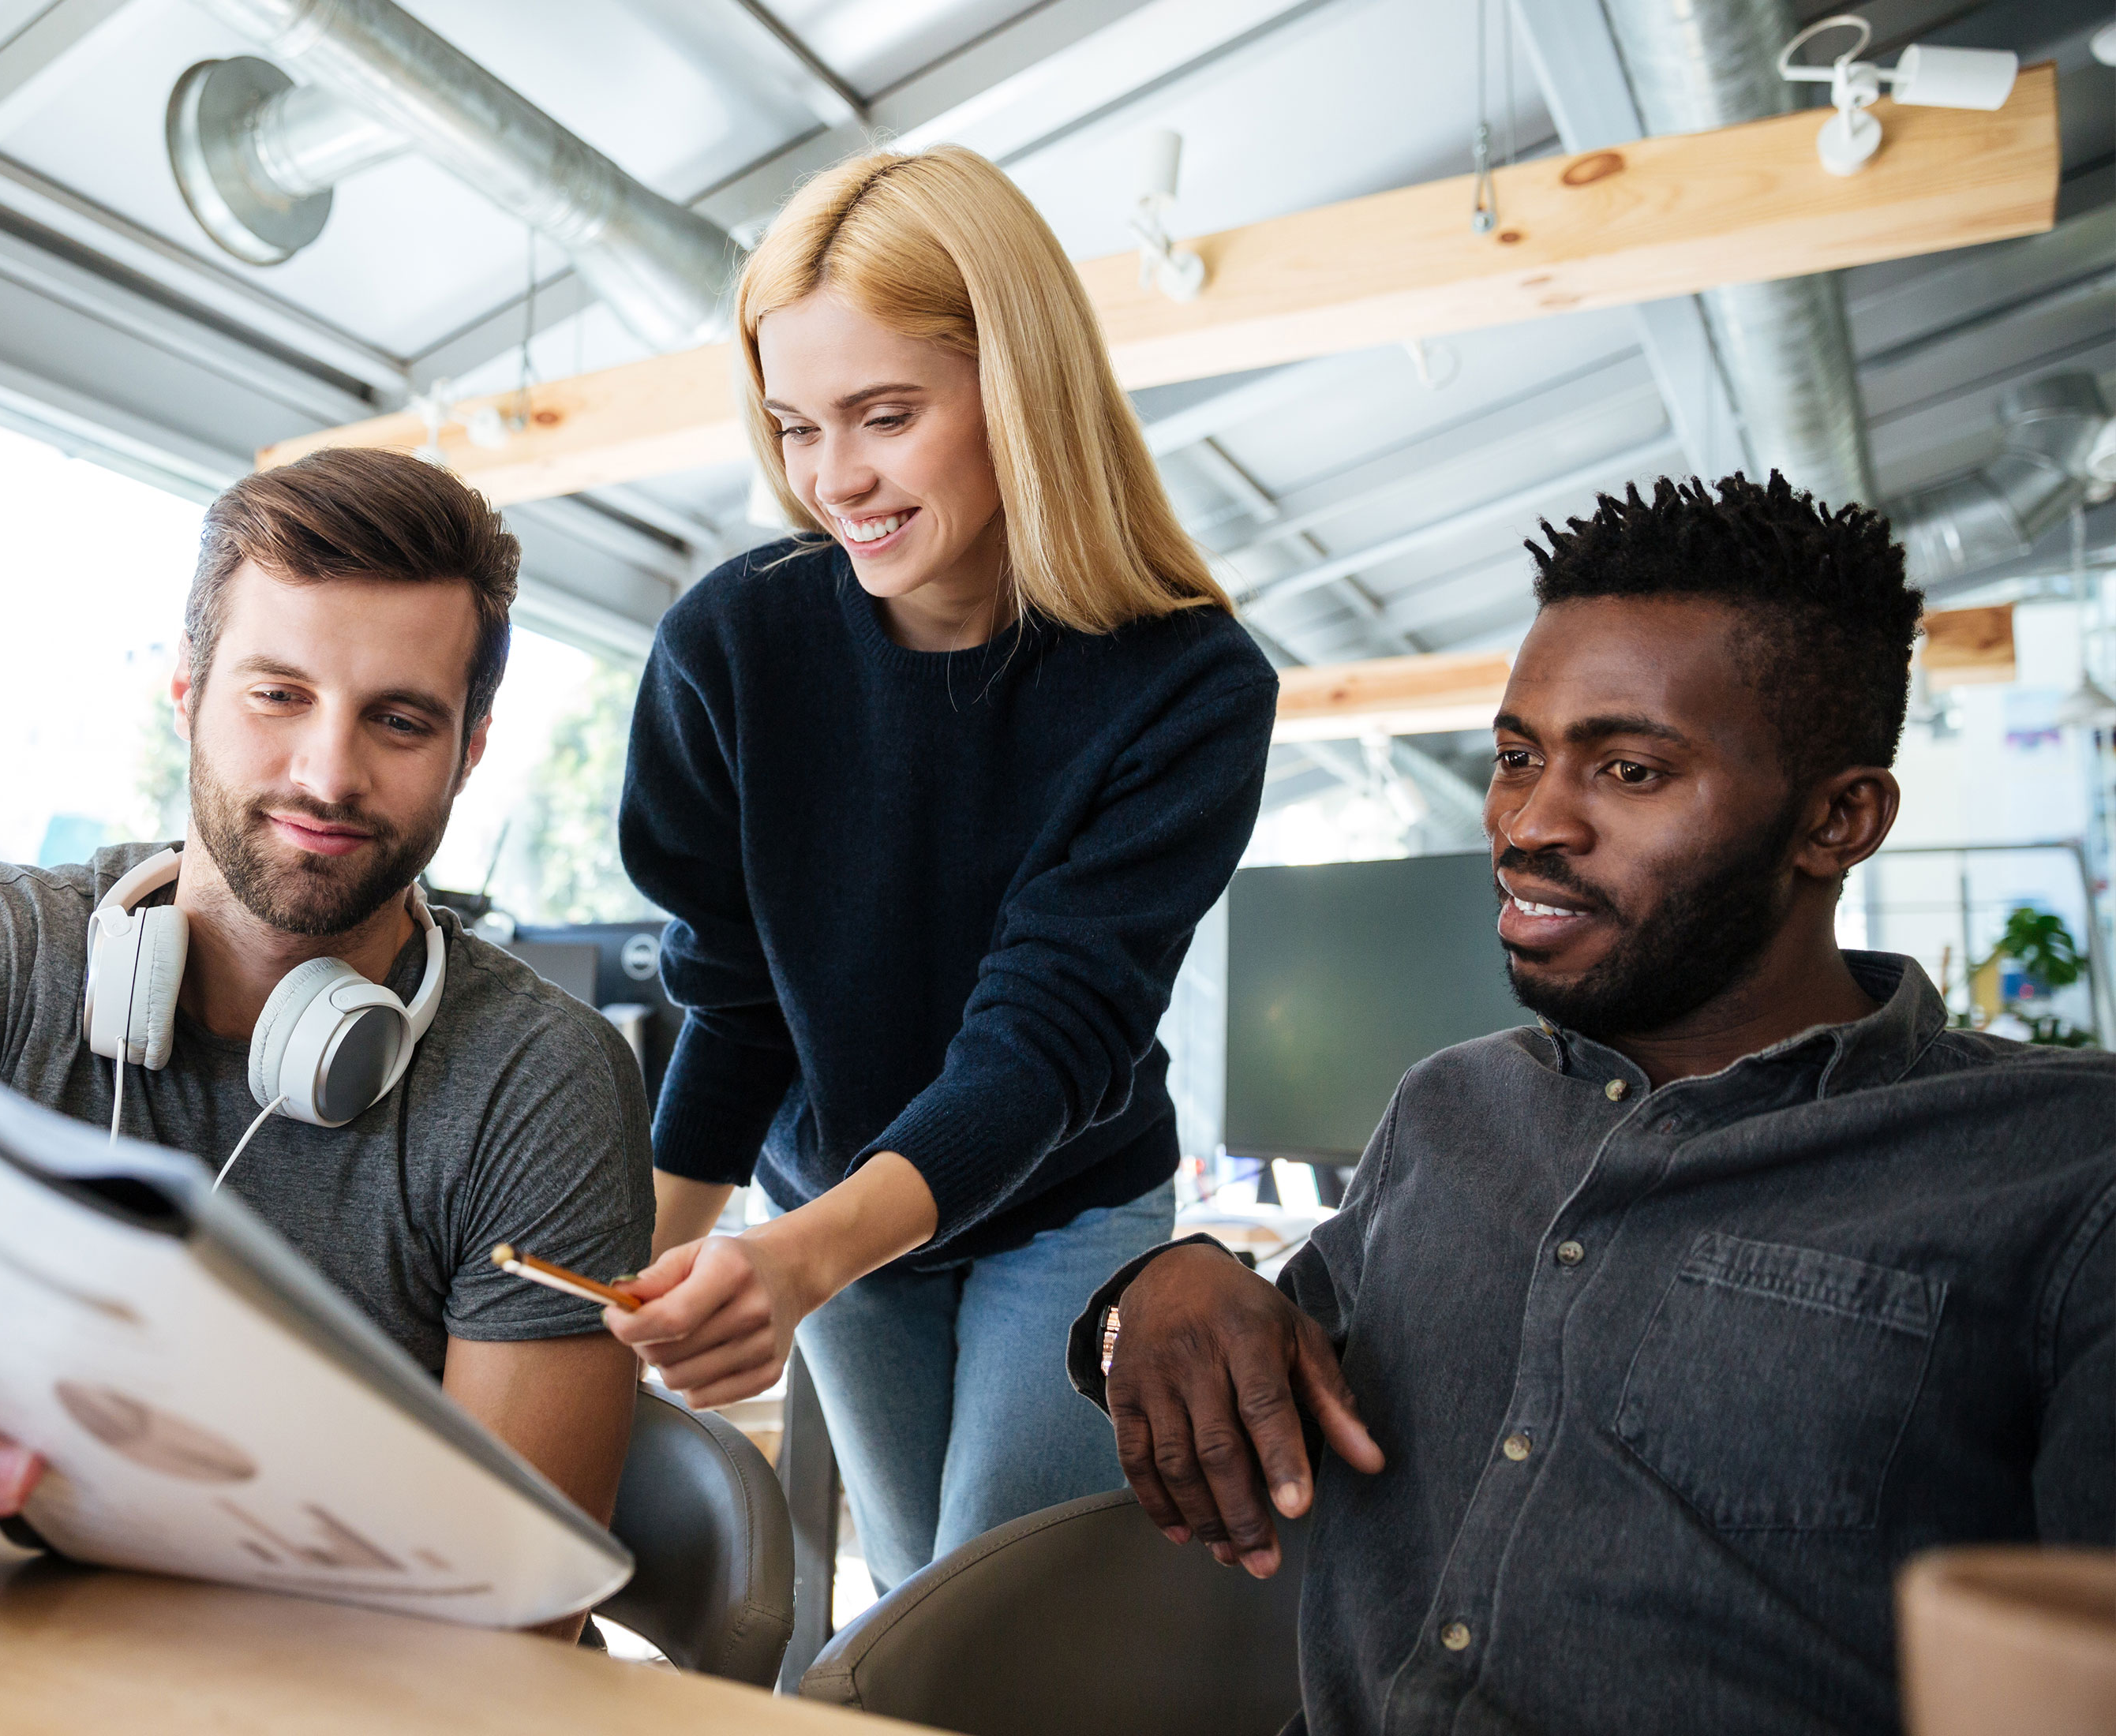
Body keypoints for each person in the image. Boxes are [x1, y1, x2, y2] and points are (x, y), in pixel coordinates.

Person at [1084, 472, 2115, 1734]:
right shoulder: (1448, 1111)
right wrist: (1149, 1294)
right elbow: (1238, 1353)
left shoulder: (2064, 1171)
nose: (1526, 825)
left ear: (1837, 821)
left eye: (1627, 771)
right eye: (1518, 758)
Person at [0, 451, 655, 1621]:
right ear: (186, 692)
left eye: (397, 719)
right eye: (275, 694)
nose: (326, 773)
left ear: (468, 751)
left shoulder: (541, 1082)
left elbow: (518, 1608)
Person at [604, 144, 1278, 1592]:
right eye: (794, 427)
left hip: (1066, 1203)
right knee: (910, 1598)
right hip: (830, 1195)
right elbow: (732, 1000)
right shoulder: (732, 647)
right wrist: (621, 1300)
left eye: (885, 416)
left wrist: (795, 1264)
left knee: (995, 1609)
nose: (833, 480)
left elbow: (1044, 1038)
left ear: (1016, 389)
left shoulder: (1187, 685)